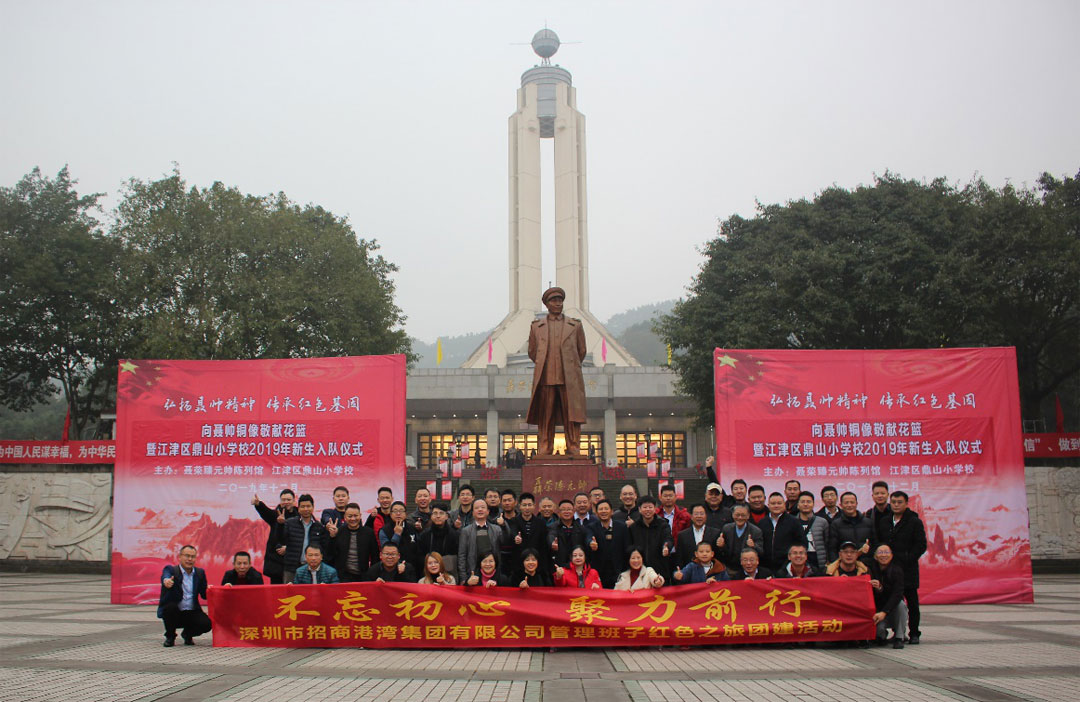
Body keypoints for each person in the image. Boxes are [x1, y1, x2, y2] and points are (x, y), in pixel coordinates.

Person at [526, 287, 587, 455]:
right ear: (547, 304)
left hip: (569, 379)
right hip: (546, 378)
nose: (558, 303)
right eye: (554, 301)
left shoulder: (575, 325)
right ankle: (545, 446)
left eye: (560, 300)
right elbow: (532, 352)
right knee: (546, 415)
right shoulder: (536, 327)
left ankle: (573, 445)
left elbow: (581, 351)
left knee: (571, 415)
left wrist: (570, 366)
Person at [881, 490, 927, 644]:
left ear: (906, 504)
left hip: (908, 569)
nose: (896, 505)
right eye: (893, 502)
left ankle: (914, 633)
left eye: (899, 502)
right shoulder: (885, 521)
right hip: (889, 569)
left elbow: (921, 545)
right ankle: (898, 632)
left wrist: (908, 558)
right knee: (894, 602)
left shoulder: (914, 521)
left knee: (912, 603)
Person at [157, 544, 211, 647]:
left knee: (207, 624)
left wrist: (210, 590)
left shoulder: (200, 573)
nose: (190, 559)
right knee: (169, 608)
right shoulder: (171, 570)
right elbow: (165, 576)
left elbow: (204, 595)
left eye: (192, 557)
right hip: (176, 611)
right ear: (180, 557)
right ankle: (170, 637)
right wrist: (166, 581)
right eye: (187, 556)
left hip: (192, 611)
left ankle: (187, 634)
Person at [277, 494, 328, 583]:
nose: (305, 509)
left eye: (308, 506)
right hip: (291, 567)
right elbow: (280, 539)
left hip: (312, 568)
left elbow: (324, 547)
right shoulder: (290, 523)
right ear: (299, 508)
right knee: (289, 591)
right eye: (303, 506)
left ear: (313, 507)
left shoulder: (319, 526)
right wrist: (280, 525)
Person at [251, 488, 297, 583]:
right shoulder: (275, 515)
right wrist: (259, 504)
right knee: (277, 589)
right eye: (283, 500)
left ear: (294, 501)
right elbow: (266, 512)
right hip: (276, 562)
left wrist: (289, 548)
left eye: (288, 499)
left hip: (293, 561)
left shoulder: (299, 515)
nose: (286, 502)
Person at [325, 502, 378, 583]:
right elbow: (330, 555)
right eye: (350, 516)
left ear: (360, 516)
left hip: (363, 577)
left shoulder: (369, 533)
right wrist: (332, 537)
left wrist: (372, 575)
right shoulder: (339, 532)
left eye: (356, 516)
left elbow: (375, 557)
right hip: (342, 577)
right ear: (345, 517)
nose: (353, 519)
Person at [626, 495, 673, 581]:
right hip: (640, 570)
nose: (647, 509)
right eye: (645, 507)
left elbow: (668, 539)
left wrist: (666, 547)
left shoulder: (663, 525)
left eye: (650, 507)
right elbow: (630, 547)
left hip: (660, 569)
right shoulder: (634, 527)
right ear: (639, 509)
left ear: (655, 509)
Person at [870, 544, 908, 648]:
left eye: (886, 552)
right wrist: (878, 589)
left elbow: (897, 594)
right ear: (875, 556)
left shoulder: (897, 570)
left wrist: (884, 612)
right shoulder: (870, 569)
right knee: (878, 632)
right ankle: (881, 636)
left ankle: (899, 637)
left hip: (891, 610)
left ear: (891, 555)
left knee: (901, 605)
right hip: (878, 610)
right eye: (880, 552)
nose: (883, 555)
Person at [457, 501, 504, 584]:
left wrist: (504, 525)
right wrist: (463, 578)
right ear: (472, 513)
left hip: (493, 572)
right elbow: (462, 556)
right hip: (472, 573)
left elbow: (504, 545)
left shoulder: (497, 529)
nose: (480, 510)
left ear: (488, 511)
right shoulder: (466, 531)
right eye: (476, 508)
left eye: (483, 507)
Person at [759, 491, 808, 571]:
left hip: (787, 567)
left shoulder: (794, 522)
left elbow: (802, 543)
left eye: (779, 503)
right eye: (773, 503)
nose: (776, 506)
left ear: (784, 505)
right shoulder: (762, 523)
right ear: (768, 505)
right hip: (766, 567)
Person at [586, 498, 629, 588]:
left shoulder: (622, 527)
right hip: (599, 573)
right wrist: (591, 543)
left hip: (619, 572)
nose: (603, 511)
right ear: (596, 513)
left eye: (606, 508)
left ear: (612, 511)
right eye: (600, 509)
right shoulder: (591, 527)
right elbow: (589, 537)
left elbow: (627, 547)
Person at [827, 492, 877, 565]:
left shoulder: (868, 522)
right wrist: (836, 565)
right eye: (846, 503)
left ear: (856, 504)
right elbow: (832, 549)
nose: (849, 505)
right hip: (845, 565)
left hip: (866, 564)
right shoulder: (836, 524)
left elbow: (875, 544)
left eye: (852, 502)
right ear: (841, 505)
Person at [509, 492, 551, 574]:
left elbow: (544, 546)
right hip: (518, 565)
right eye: (524, 505)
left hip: (537, 565)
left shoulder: (541, 523)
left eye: (529, 505)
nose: (527, 508)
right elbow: (513, 533)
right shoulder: (513, 521)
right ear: (519, 506)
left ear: (534, 506)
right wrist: (516, 538)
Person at [416, 502, 459, 578]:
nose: (438, 516)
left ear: (446, 516)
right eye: (435, 513)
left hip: (448, 574)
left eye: (441, 513)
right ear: (431, 516)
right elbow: (419, 556)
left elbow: (457, 557)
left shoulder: (454, 535)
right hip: (428, 574)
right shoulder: (425, 535)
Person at [675, 503, 723, 569]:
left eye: (701, 514)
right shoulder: (682, 535)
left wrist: (722, 546)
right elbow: (679, 557)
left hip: (710, 571)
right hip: (690, 571)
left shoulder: (715, 533)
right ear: (691, 516)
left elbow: (719, 555)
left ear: (706, 516)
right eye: (696, 514)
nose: (699, 516)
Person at [718, 504, 763, 570]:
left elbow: (761, 552)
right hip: (729, 567)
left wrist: (753, 546)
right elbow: (724, 551)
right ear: (732, 515)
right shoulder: (726, 528)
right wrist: (722, 546)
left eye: (743, 515)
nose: (740, 518)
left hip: (747, 568)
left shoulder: (756, 531)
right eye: (737, 515)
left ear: (748, 516)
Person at [795, 491, 830, 571]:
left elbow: (827, 543)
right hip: (799, 561)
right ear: (798, 505)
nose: (805, 504)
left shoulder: (822, 522)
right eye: (802, 502)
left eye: (808, 502)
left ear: (813, 504)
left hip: (819, 563)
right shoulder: (792, 522)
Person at [378, 501, 419, 568]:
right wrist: (397, 535)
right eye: (395, 511)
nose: (398, 513)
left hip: (412, 567)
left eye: (401, 511)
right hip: (392, 568)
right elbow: (387, 551)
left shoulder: (412, 528)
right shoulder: (384, 531)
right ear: (390, 514)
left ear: (406, 514)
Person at [549, 499, 589, 568]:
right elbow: (551, 535)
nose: (566, 512)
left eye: (569, 509)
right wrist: (552, 543)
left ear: (574, 512)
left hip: (577, 566)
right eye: (563, 509)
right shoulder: (553, 527)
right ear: (558, 512)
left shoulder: (581, 528)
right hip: (559, 565)